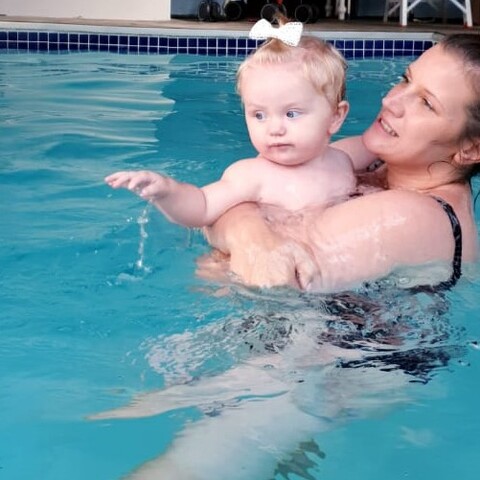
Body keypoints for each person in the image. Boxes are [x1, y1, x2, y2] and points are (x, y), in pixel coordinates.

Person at [203, 33, 480, 293]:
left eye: (426, 103)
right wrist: (250, 234)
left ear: (470, 149)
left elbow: (272, 276)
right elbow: (230, 201)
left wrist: (244, 233)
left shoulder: (412, 215)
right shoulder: (378, 159)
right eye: (405, 79)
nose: (390, 100)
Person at [104, 18, 356, 228]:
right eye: (259, 115)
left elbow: (368, 146)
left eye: (291, 114)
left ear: (336, 117)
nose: (274, 129)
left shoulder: (342, 161)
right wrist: (168, 191)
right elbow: (203, 207)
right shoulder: (252, 175)